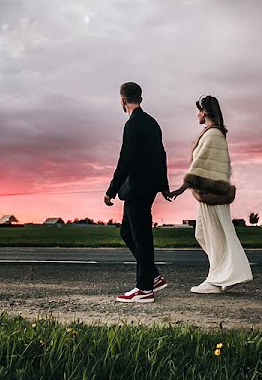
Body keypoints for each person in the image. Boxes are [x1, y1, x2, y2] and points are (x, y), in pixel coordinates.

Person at [167, 95, 252, 293]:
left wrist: (181, 189)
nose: (197, 115)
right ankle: (222, 275)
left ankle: (217, 280)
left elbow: (201, 166)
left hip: (212, 195)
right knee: (205, 234)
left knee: (216, 235)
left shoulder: (213, 135)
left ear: (204, 112)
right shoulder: (213, 134)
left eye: (199, 111)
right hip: (209, 194)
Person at [104, 81, 170, 303]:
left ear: (122, 100)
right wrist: (164, 185)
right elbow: (162, 155)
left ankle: (144, 289)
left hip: (137, 189)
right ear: (140, 97)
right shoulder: (152, 123)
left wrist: (111, 190)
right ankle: (152, 276)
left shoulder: (133, 124)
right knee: (127, 232)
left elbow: (126, 160)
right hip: (148, 187)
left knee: (141, 236)